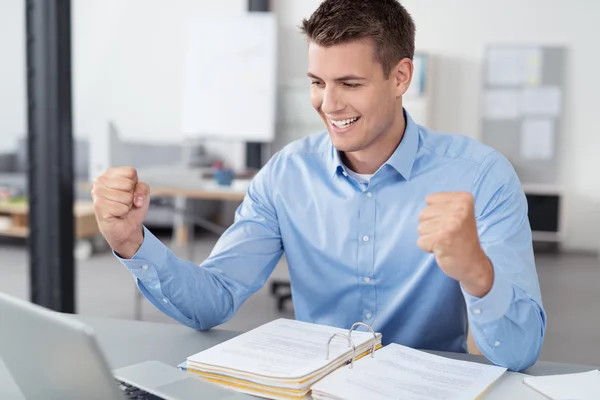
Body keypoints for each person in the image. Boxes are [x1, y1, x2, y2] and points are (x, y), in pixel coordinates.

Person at [91, 0, 546, 372]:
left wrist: (477, 273)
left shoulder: (481, 177)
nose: (328, 104)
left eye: (349, 83)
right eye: (316, 83)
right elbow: (214, 300)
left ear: (400, 77)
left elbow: (520, 353)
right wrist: (133, 243)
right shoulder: (285, 175)